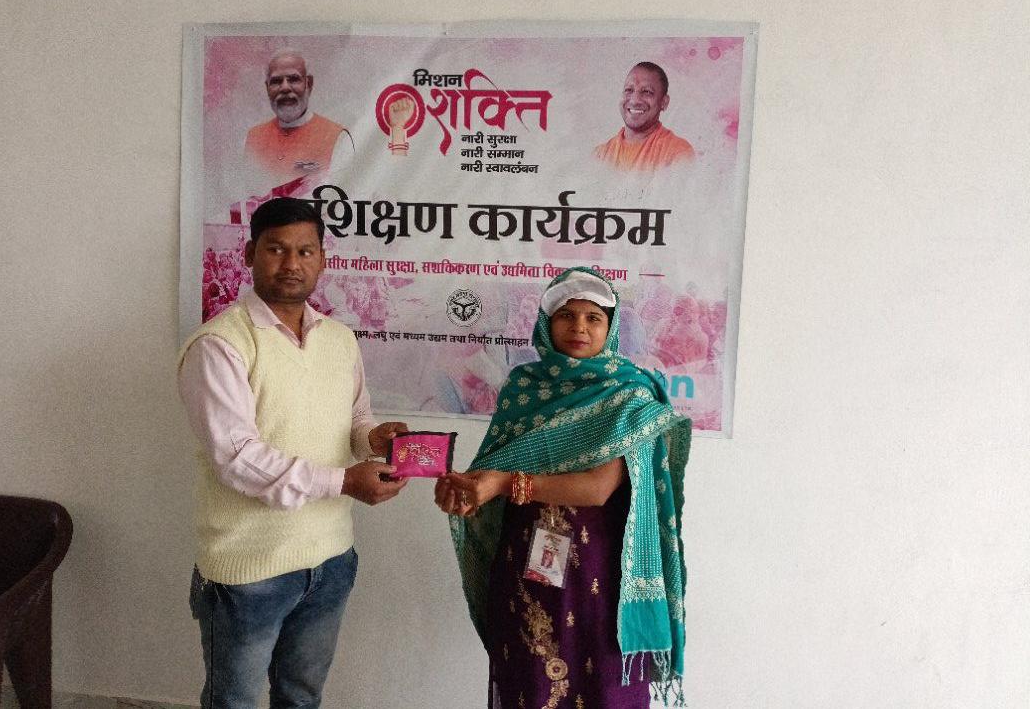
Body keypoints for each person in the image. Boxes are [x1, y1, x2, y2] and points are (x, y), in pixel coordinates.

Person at [177, 196, 408, 709]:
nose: (291, 263)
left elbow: (354, 422)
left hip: (331, 558)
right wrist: (345, 481)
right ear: (249, 254)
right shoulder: (220, 344)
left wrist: (375, 439)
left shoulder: (339, 339)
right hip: (249, 569)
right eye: (276, 249)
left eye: (305, 251)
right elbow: (238, 458)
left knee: (301, 698)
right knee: (233, 702)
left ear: (322, 259)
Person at [437, 268, 692, 708]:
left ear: (610, 328)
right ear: (546, 323)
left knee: (601, 686)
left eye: (594, 318)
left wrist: (504, 483)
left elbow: (598, 488)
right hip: (526, 565)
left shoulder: (629, 395)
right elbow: (491, 471)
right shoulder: (524, 389)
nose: (579, 327)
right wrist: (468, 492)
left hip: (600, 572)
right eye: (566, 316)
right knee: (531, 684)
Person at [243, 50, 354, 183]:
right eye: (276, 81)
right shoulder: (252, 138)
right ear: (267, 87)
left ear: (309, 84)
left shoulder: (338, 137)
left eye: (294, 79)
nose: (285, 88)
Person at [595, 62, 695, 171]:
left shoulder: (678, 154)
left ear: (664, 102)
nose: (635, 101)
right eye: (629, 90)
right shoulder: (600, 155)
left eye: (647, 92)